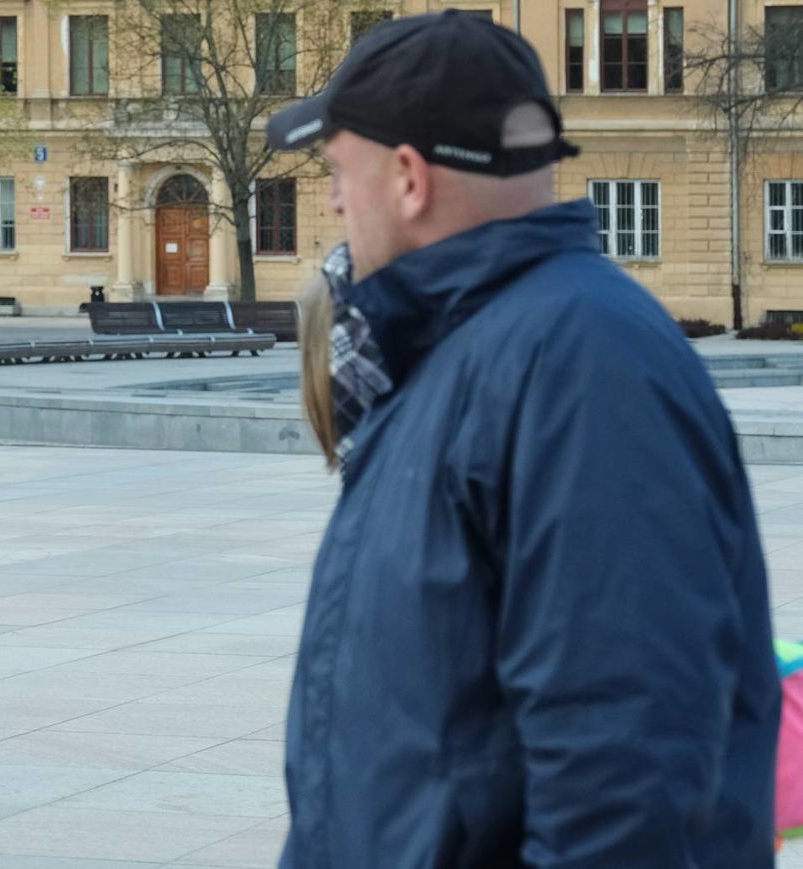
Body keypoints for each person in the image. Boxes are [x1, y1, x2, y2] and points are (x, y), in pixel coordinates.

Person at [273, 11, 779, 867]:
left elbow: (622, 775)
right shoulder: (472, 353)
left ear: (406, 178)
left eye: (335, 171)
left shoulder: (579, 363)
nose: (330, 201)